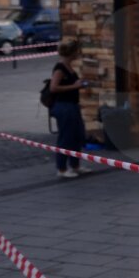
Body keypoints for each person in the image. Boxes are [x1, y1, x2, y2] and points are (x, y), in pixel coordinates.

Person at [50, 38, 91, 178]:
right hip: (63, 107)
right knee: (66, 137)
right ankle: (61, 169)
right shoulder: (60, 68)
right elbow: (53, 88)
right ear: (72, 52)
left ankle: (75, 165)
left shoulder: (69, 66)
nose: (79, 53)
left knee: (76, 136)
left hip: (72, 105)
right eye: (77, 51)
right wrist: (75, 86)